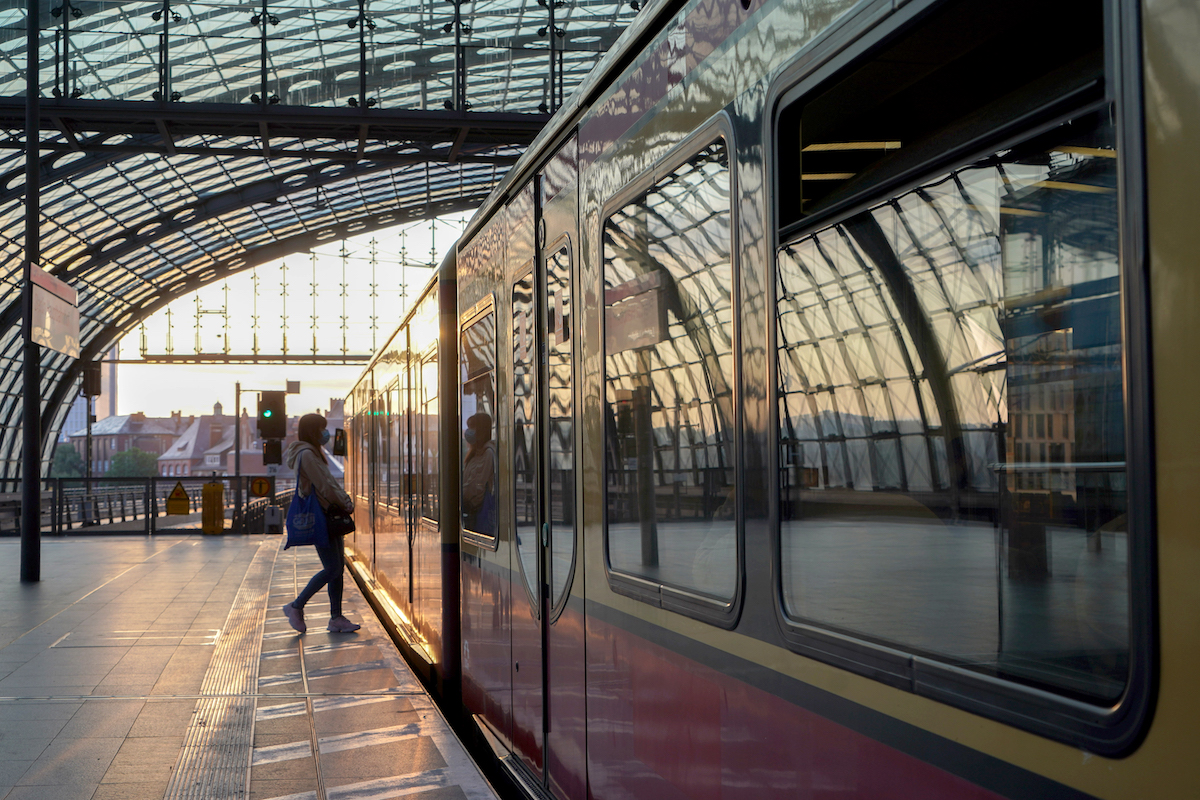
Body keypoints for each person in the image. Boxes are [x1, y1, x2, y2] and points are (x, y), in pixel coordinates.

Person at [282, 413, 360, 634]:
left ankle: (336, 618)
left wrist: (342, 500)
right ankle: (296, 606)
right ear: (312, 431)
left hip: (329, 515)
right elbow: (324, 484)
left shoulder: (313, 452)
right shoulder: (307, 454)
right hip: (323, 516)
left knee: (338, 568)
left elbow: (327, 482)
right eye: (322, 429)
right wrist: (344, 501)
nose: (326, 433)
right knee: (333, 567)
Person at [462, 412, 497, 535]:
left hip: (479, 513)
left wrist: (461, 495)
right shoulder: (474, 453)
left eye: (472, 427)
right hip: (472, 514)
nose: (468, 431)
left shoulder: (488, 453)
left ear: (481, 431)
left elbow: (477, 485)